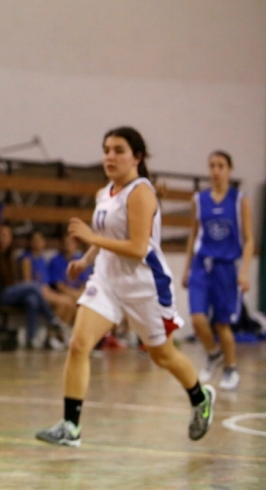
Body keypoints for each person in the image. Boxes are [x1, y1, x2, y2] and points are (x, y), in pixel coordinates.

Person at [35, 126, 216, 447]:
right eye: (106, 150)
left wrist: (91, 238)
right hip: (107, 281)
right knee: (78, 344)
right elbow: (107, 234)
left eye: (118, 150)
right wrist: (86, 259)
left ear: (137, 157)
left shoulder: (141, 192)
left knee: (162, 355)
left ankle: (200, 397)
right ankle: (70, 427)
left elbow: (136, 247)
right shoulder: (104, 193)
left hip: (144, 286)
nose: (110, 156)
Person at [182, 150, 253, 391]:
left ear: (229, 170)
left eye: (220, 165)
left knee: (222, 325)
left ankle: (231, 367)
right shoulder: (199, 199)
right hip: (202, 265)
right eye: (212, 165)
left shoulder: (239, 200)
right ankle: (213, 354)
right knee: (197, 318)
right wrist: (187, 268)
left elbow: (249, 240)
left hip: (226, 268)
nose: (215, 170)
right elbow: (193, 235)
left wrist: (244, 272)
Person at [0, 223, 65, 349]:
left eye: (7, 235)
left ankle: (30, 339)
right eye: (2, 235)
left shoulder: (10, 256)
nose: (5, 239)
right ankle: (53, 319)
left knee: (32, 300)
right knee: (33, 286)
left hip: (9, 293)